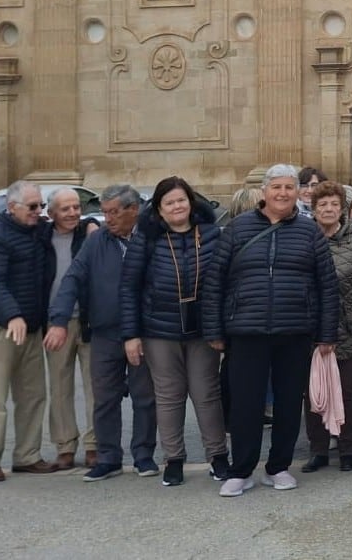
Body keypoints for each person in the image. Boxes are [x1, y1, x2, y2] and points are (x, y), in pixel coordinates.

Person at [203, 163, 341, 497]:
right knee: (245, 405)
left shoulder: (309, 232)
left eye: (289, 188)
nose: (282, 193)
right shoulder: (237, 229)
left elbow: (327, 285)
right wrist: (214, 330)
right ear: (264, 191)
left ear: (298, 193)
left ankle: (278, 466)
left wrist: (326, 333)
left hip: (294, 331)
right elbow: (214, 282)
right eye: (276, 187)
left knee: (289, 403)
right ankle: (241, 470)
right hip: (246, 330)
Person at [120, 175, 228, 487]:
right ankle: (174, 458)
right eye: (170, 202)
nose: (177, 206)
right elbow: (129, 287)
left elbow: (223, 281)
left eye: (181, 200)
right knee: (168, 396)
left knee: (207, 393)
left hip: (203, 328)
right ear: (159, 209)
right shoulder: (146, 238)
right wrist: (131, 335)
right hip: (159, 329)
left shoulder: (210, 234)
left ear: (191, 202)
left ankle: (218, 456)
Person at [48, 185, 157, 482]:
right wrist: (59, 319)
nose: (107, 218)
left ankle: (144, 455)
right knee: (104, 398)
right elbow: (73, 277)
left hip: (144, 332)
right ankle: (108, 457)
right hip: (104, 333)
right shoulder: (96, 242)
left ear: (133, 210)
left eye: (113, 212)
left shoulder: (150, 238)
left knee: (144, 396)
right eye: (105, 212)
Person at [0, 181, 61, 481]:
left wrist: (87, 224)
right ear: (12, 208)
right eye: (33, 207)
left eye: (41, 206)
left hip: (32, 329)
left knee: (33, 395)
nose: (40, 212)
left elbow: (69, 222)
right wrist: (13, 315)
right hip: (1, 329)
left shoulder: (39, 230)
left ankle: (27, 455)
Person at [301, 181, 352, 474]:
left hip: (348, 327)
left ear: (342, 209)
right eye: (323, 205)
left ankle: (348, 448)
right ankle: (318, 450)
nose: (329, 210)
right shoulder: (304, 239)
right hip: (309, 329)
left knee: (345, 391)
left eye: (334, 204)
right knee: (313, 392)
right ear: (314, 209)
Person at [40, 187, 98, 471]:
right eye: (66, 209)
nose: (73, 212)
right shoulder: (40, 237)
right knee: (59, 387)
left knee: (94, 386)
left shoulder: (89, 233)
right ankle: (64, 446)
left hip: (88, 319)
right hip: (55, 324)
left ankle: (94, 446)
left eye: (76, 207)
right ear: (51, 213)